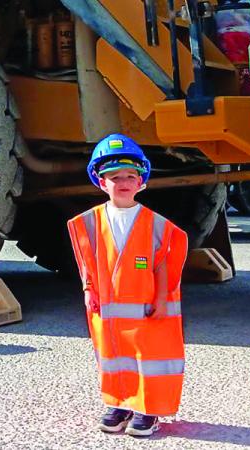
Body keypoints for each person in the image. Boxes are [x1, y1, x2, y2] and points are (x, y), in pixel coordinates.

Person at [66, 133, 189, 437]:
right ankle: (118, 403)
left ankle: (147, 409)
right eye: (114, 176)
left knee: (148, 359)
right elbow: (88, 262)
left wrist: (162, 298)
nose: (123, 182)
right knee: (114, 357)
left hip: (147, 309)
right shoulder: (90, 222)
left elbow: (162, 262)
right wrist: (88, 290)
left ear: (141, 181)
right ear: (101, 181)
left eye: (130, 175)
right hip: (109, 313)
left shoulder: (155, 223)